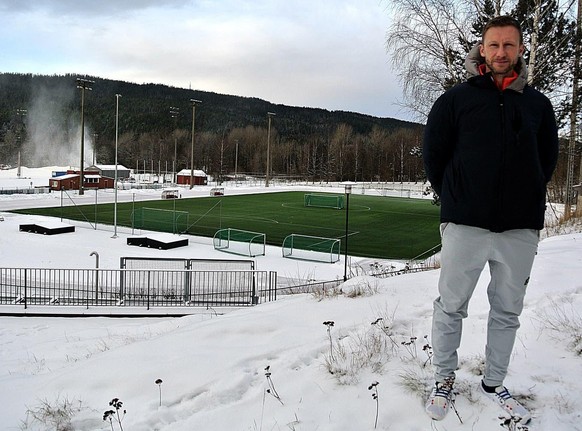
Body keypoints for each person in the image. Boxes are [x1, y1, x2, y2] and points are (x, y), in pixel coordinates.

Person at [422, 15, 559, 423]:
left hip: (519, 229)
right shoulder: (456, 100)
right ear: (482, 49)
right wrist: (457, 199)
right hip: (466, 224)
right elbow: (435, 156)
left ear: (520, 51)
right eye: (494, 45)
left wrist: (527, 196)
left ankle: (494, 381)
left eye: (509, 46)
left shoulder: (538, 105)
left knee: (507, 311)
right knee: (450, 306)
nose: (501, 52)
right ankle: (444, 378)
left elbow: (546, 161)